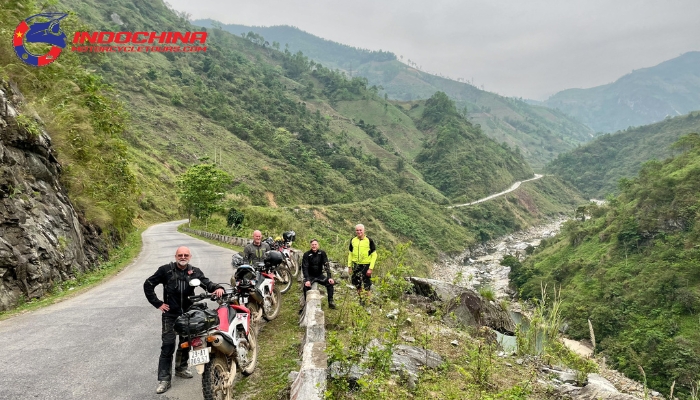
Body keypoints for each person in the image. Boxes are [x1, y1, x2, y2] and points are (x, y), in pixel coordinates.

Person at [144, 246, 224, 395]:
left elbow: (207, 283)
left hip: (188, 314)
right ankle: (164, 379)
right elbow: (148, 284)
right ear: (175, 256)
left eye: (185, 255)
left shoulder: (194, 272)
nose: (183, 257)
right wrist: (158, 303)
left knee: (185, 343)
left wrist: (218, 287)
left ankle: (181, 368)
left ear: (190, 257)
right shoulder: (165, 270)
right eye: (180, 255)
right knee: (167, 345)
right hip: (170, 314)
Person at [302, 239, 336, 309]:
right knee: (306, 287)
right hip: (310, 276)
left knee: (330, 283)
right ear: (310, 246)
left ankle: (331, 301)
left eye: (315, 244)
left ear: (318, 245)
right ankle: (305, 306)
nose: (314, 246)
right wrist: (307, 279)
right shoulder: (306, 254)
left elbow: (326, 265)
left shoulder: (322, 253)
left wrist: (329, 277)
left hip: (319, 275)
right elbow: (304, 267)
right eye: (312, 245)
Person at [347, 224, 377, 303]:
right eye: (357, 230)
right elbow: (350, 254)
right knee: (357, 284)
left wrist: (371, 268)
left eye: (360, 230)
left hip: (366, 265)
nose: (359, 232)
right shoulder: (353, 240)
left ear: (364, 230)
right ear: (355, 231)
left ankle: (367, 303)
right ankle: (361, 300)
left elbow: (374, 255)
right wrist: (349, 266)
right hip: (356, 265)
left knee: (367, 285)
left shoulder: (369, 240)